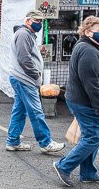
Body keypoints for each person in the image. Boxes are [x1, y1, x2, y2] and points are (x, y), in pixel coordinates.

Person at [53, 15, 99, 187]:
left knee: (93, 135)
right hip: (86, 103)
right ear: (88, 32)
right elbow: (91, 83)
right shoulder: (88, 51)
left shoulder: (87, 46)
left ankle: (88, 172)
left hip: (82, 101)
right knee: (94, 136)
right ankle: (64, 166)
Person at [5, 9, 66, 155]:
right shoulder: (24, 34)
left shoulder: (26, 34)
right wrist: (36, 76)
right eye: (36, 21)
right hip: (24, 79)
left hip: (21, 78)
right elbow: (24, 59)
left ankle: (13, 141)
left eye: (41, 21)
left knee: (20, 111)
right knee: (36, 111)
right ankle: (45, 142)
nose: (39, 23)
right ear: (27, 21)